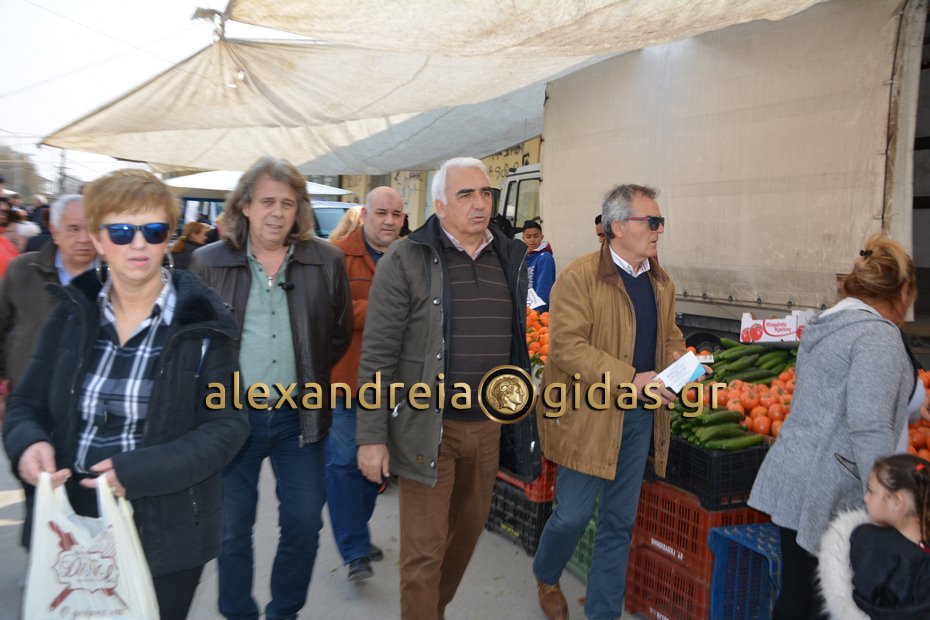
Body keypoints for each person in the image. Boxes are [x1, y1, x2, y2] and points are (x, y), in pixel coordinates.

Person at [2, 169, 250, 620]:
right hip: (70, 524)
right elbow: (25, 405)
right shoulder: (69, 314)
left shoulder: (205, 325)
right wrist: (28, 443)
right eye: (120, 231)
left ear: (168, 238)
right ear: (98, 240)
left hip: (167, 532)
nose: (138, 244)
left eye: (153, 230)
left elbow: (228, 425)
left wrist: (137, 471)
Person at [356, 157, 530, 620]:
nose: (480, 203)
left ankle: (433, 610)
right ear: (439, 205)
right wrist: (371, 437)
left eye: (486, 193)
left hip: (488, 428)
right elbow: (378, 354)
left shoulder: (509, 256)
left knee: (465, 537)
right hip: (427, 427)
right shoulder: (406, 257)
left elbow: (517, 343)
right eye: (465, 194)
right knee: (423, 552)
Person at [191, 156, 352, 620]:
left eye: (287, 202)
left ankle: (284, 611)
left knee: (303, 524)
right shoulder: (207, 263)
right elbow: (192, 340)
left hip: (299, 418)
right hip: (230, 419)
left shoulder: (327, 261)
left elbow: (337, 334)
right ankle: (238, 612)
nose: (277, 213)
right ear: (245, 206)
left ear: (298, 208)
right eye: (267, 202)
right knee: (230, 531)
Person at [532, 184, 684, 620]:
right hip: (588, 416)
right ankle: (546, 574)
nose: (658, 230)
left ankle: (602, 612)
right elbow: (567, 348)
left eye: (659, 222)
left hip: (638, 418)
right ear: (618, 227)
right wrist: (630, 378)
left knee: (619, 522)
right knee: (573, 516)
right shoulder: (579, 277)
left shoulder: (660, 281)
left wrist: (679, 361)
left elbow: (669, 335)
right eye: (651, 221)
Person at [748, 234, 918, 620]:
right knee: (826, 602)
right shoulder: (878, 337)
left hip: (800, 475)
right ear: (904, 290)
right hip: (833, 489)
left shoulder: (831, 323)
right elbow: (870, 427)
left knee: (798, 593)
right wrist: (889, 499)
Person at [326, 186, 405, 581]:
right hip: (345, 381)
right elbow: (329, 311)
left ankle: (356, 531)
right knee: (343, 463)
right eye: (381, 213)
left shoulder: (411, 257)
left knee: (377, 470)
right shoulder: (336, 255)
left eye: (396, 214)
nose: (389, 221)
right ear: (365, 215)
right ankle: (355, 549)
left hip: (394, 386)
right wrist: (388, 311)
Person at [818, 453, 930, 619]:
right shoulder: (924, 557)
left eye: (871, 491)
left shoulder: (868, 540)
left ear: (896, 502)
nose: (866, 498)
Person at [522, 219, 556, 312]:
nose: (532, 240)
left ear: (542, 237)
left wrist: (536, 312)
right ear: (523, 238)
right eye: (528, 237)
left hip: (537, 313)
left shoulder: (545, 257)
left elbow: (544, 289)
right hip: (525, 311)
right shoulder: (522, 258)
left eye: (536, 236)